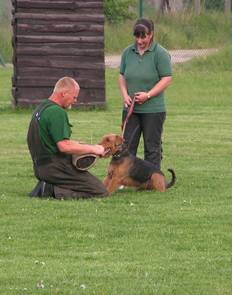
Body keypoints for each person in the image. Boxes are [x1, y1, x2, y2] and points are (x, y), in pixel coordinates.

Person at [27, 77, 108, 199]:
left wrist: (83, 146)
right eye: (74, 97)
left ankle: (47, 184)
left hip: (40, 166)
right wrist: (94, 149)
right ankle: (51, 189)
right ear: (64, 93)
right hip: (55, 168)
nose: (75, 101)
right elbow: (64, 146)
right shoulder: (57, 112)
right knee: (99, 191)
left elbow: (54, 141)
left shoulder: (41, 108)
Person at [119, 18, 172, 169]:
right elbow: (122, 76)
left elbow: (166, 78)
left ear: (151, 35)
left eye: (143, 36)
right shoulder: (127, 52)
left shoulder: (160, 53)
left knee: (152, 146)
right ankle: (126, 177)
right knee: (127, 145)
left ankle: (153, 178)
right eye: (137, 36)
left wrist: (148, 95)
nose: (140, 40)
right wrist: (125, 95)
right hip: (131, 109)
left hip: (154, 109)